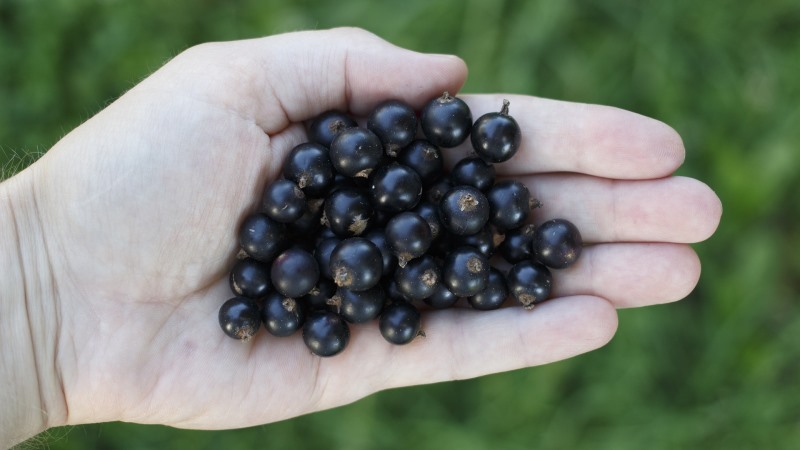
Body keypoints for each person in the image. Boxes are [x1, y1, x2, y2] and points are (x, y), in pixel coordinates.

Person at [0, 27, 721, 447]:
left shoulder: (392, 225)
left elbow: (400, 242)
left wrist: (43, 278)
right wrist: (41, 270)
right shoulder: (336, 237)